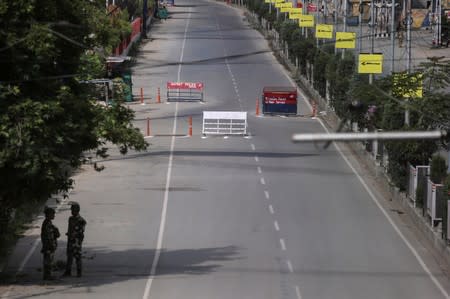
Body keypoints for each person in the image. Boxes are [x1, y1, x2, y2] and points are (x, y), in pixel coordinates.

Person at [63, 203, 86, 277]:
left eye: (74, 210)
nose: (72, 211)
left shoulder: (81, 220)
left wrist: (74, 234)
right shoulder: (70, 219)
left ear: (78, 210)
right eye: (72, 210)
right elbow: (69, 229)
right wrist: (69, 234)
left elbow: (81, 231)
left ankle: (79, 272)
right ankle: (68, 271)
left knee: (77, 256)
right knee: (69, 256)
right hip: (70, 240)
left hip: (76, 241)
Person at [41, 207, 60, 280]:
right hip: (48, 246)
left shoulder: (48, 223)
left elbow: (55, 234)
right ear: (48, 214)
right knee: (48, 261)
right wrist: (52, 245)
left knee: (49, 261)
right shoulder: (47, 224)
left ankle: (47, 275)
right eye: (53, 213)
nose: (54, 215)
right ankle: (48, 276)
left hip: (48, 246)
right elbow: (49, 237)